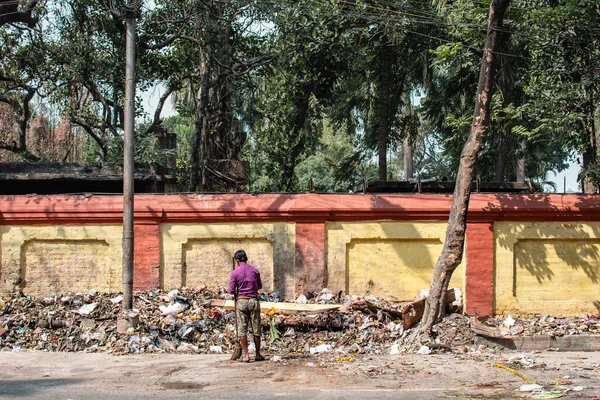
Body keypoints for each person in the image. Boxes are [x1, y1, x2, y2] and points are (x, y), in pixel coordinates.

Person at [228, 250, 264, 362]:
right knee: (256, 328)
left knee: (242, 329)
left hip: (241, 302)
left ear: (237, 261)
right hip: (253, 301)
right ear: (246, 258)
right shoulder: (255, 271)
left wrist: (235, 289)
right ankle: (258, 354)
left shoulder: (235, 273)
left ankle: (246, 355)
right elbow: (259, 286)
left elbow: (230, 290)